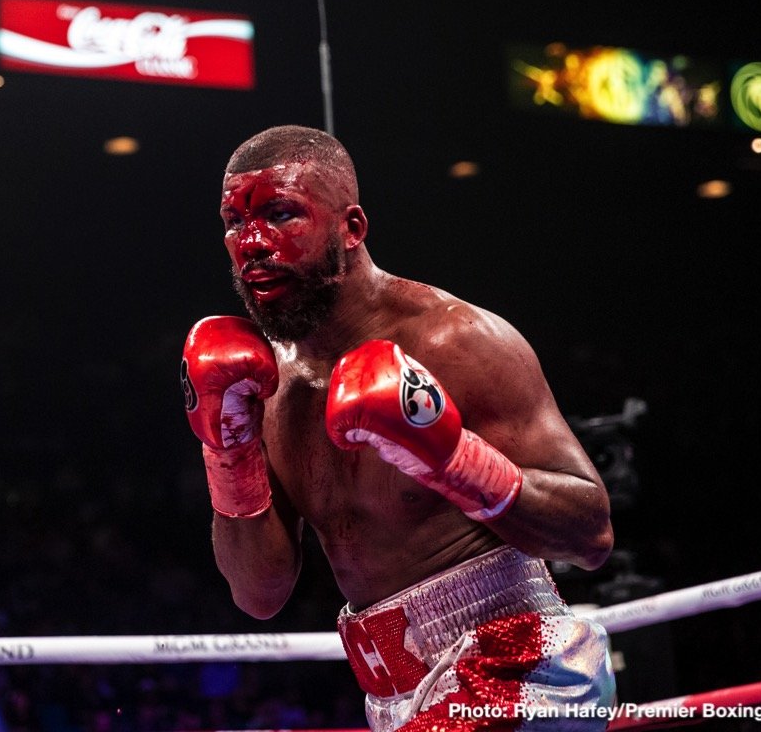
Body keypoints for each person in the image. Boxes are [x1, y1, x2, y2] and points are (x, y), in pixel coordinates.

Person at [180, 125, 616, 731]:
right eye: (234, 221)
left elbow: (591, 533)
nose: (253, 242)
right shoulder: (268, 390)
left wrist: (451, 457)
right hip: (395, 694)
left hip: (518, 664)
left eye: (282, 214)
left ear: (352, 228)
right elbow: (260, 593)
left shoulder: (457, 342)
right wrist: (229, 451)